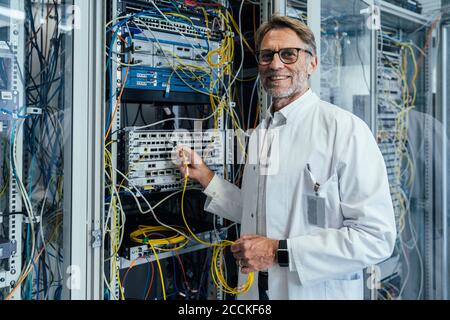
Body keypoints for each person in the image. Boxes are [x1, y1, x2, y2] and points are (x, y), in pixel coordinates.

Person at [177, 16, 396, 300]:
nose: (276, 64)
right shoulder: (261, 133)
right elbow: (257, 213)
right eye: (267, 56)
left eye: (289, 54)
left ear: (312, 63)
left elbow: (376, 238)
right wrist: (206, 177)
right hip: (257, 293)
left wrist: (277, 251)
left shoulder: (344, 130)